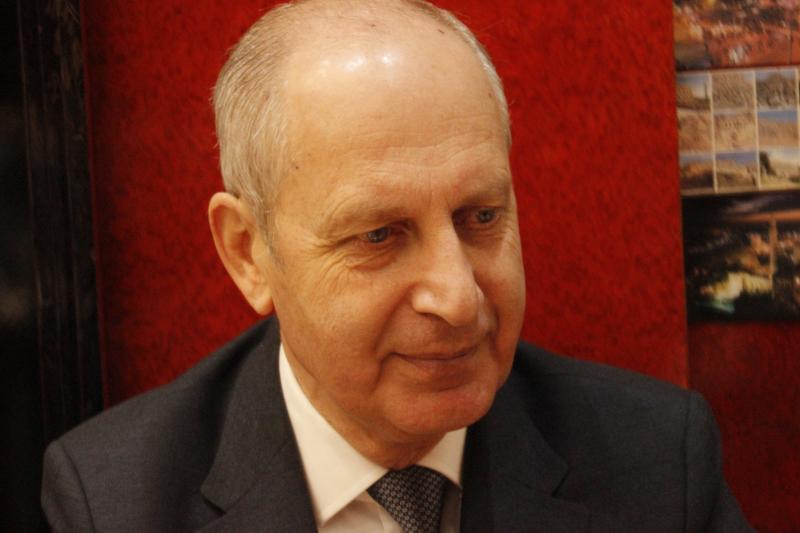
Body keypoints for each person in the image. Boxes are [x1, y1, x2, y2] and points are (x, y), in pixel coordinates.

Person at [41, 1, 753, 531]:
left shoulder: (658, 463)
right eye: (379, 235)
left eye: (481, 217)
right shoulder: (113, 501)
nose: (458, 297)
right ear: (248, 253)